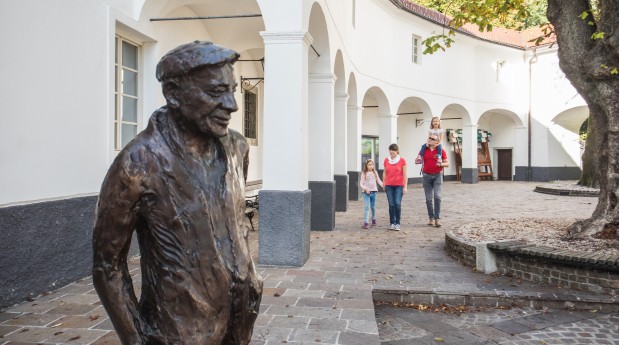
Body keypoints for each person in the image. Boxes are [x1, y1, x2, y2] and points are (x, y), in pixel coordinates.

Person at [92, 41, 262, 345]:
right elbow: (108, 267)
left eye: (232, 90)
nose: (232, 105)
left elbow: (233, 226)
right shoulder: (137, 164)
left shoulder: (237, 148)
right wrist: (136, 339)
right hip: (178, 333)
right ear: (173, 93)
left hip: (241, 321)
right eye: (215, 92)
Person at [421, 133, 449, 227]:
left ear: (437, 142)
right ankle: (431, 218)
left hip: (437, 176)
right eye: (429, 138)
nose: (430, 139)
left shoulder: (440, 150)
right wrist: (417, 160)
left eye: (432, 138)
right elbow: (418, 159)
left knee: (437, 196)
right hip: (426, 176)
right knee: (428, 199)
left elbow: (447, 163)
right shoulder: (424, 149)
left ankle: (437, 218)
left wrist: (441, 164)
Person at [382, 144, 408, 231]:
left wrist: (405, 187)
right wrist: (384, 183)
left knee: (397, 203)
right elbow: (384, 172)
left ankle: (398, 223)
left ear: (397, 151)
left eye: (393, 150)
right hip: (389, 185)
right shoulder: (386, 160)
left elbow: (405, 175)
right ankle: (392, 223)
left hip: (399, 186)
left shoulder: (402, 160)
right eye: (390, 150)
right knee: (391, 204)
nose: (391, 151)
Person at [359, 159, 384, 229]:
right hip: (366, 193)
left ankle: (373, 219)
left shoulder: (375, 172)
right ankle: (366, 222)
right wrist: (365, 188)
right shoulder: (364, 173)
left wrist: (383, 186)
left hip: (374, 192)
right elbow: (361, 183)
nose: (371, 166)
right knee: (367, 206)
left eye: (372, 164)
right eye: (369, 164)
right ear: (366, 165)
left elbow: (378, 180)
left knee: (373, 207)